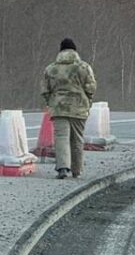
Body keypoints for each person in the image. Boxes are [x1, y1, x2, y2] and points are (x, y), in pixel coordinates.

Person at [41, 38, 97, 180]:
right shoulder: (84, 67)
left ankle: (62, 168)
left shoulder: (51, 68)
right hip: (79, 107)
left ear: (60, 50)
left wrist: (50, 102)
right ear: (75, 50)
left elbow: (45, 90)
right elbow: (91, 87)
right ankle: (76, 170)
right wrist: (88, 100)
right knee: (77, 139)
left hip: (58, 107)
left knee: (61, 137)